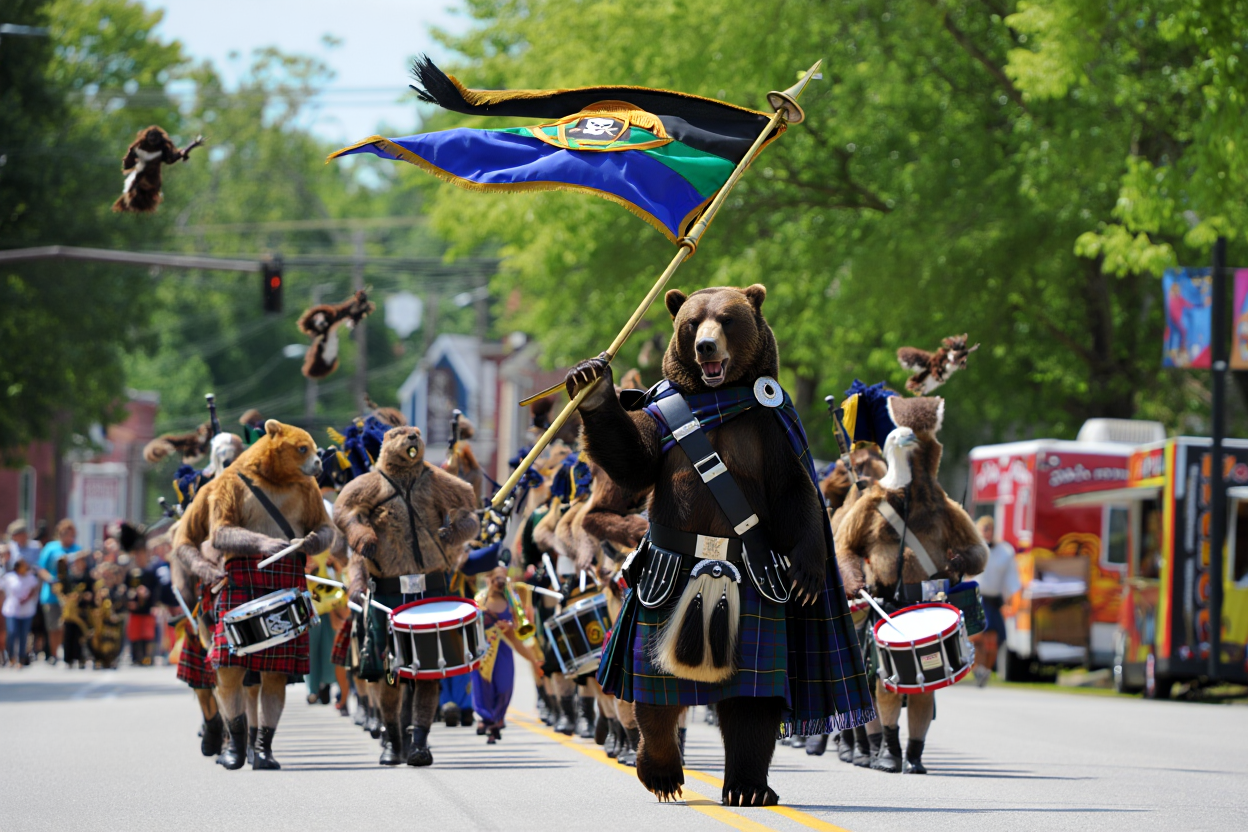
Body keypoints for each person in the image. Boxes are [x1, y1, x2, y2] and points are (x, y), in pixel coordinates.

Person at [471, 566, 543, 743]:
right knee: (483, 688)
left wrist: (533, 661)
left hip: (504, 649)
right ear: (488, 579)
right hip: (483, 651)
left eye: (502, 579)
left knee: (504, 687)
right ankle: (489, 720)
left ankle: (496, 718)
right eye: (495, 579)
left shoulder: (512, 602)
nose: (499, 583)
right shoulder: (479, 600)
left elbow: (518, 637)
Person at [969, 516, 1021, 686]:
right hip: (975, 597)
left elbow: (1011, 579)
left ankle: (986, 670)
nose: (986, 532)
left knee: (992, 640)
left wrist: (1012, 600)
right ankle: (977, 668)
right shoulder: (970, 548)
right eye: (983, 529)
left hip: (993, 599)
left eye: (989, 529)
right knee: (975, 638)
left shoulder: (1005, 551)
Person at [36, 519, 82, 664]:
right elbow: (40, 568)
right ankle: (54, 654)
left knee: (65, 625)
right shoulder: (51, 548)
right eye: (65, 534)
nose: (68, 537)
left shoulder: (77, 550)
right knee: (53, 626)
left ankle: (64, 651)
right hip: (51, 594)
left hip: (70, 596)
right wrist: (50, 579)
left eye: (71, 534)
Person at [3, 559, 40, 667]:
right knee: (12, 632)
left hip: (27, 611)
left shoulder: (31, 578)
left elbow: (34, 589)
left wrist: (27, 598)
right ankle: (11, 657)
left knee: (23, 635)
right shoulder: (9, 577)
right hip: (12, 610)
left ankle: (21, 658)